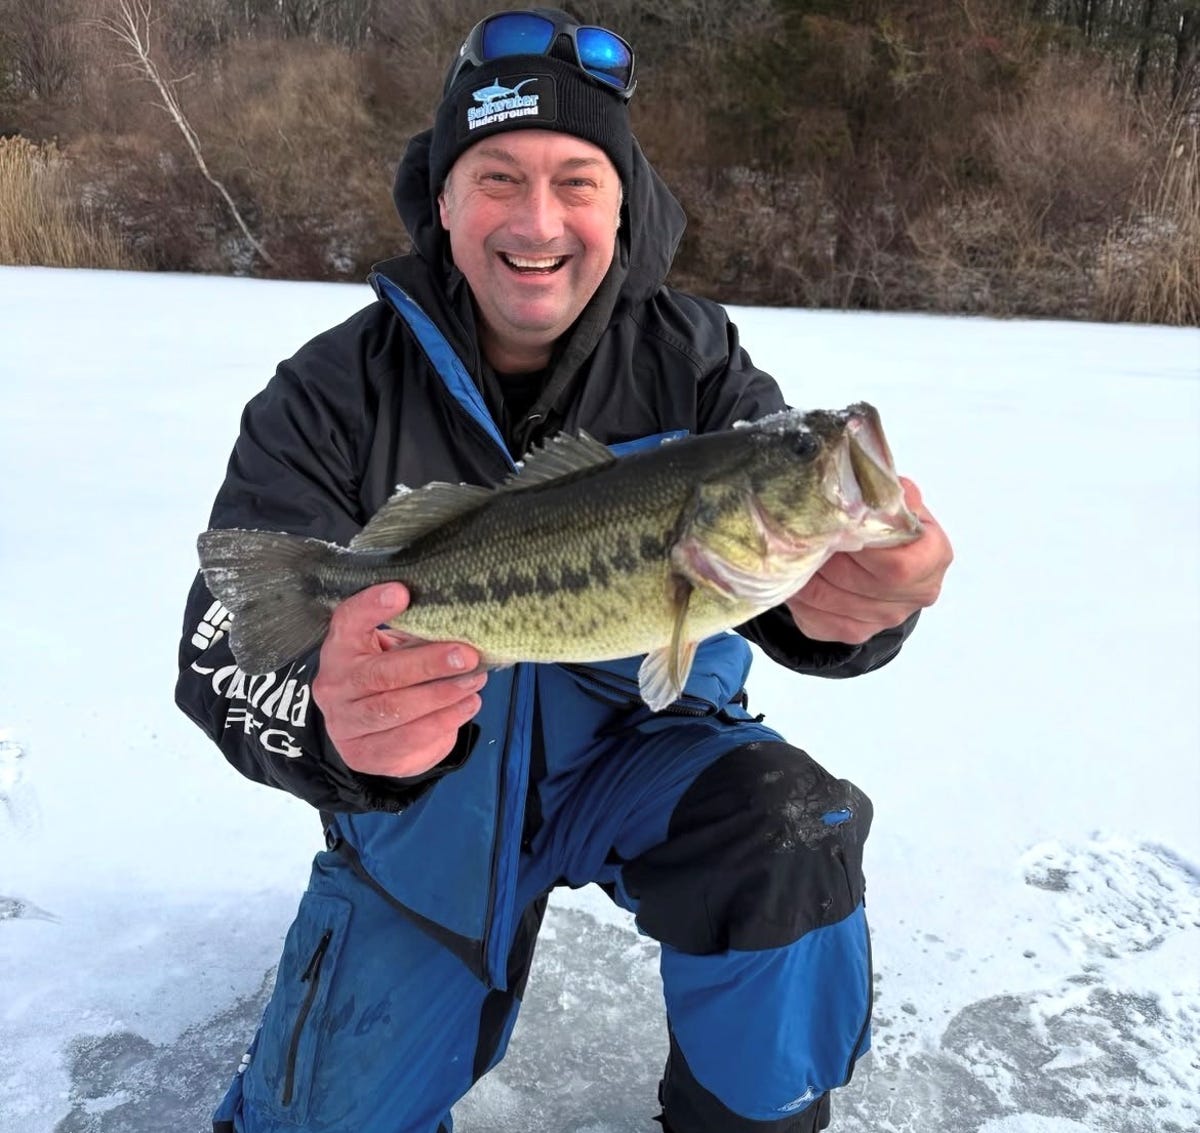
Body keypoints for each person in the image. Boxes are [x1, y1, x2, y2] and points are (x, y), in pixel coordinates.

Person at [175, 9, 953, 1132]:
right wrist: (334, 721)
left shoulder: (695, 358)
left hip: (642, 751)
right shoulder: (331, 389)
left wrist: (860, 613)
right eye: (498, 176)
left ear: (620, 203)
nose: (538, 219)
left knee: (790, 824)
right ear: (442, 198)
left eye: (577, 180)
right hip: (424, 792)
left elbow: (794, 609)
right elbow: (222, 644)